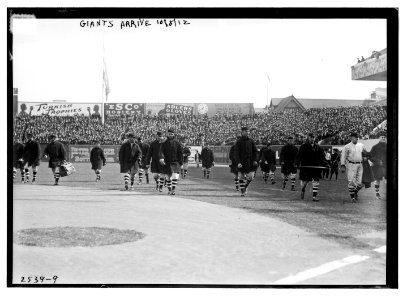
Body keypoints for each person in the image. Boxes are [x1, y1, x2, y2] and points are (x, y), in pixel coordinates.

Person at [296, 133, 327, 201]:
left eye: (313, 137)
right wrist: (297, 163)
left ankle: (314, 197)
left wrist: (326, 164)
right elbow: (299, 156)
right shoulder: (303, 146)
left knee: (316, 181)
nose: (312, 139)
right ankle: (303, 190)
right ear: (308, 138)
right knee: (305, 182)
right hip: (306, 167)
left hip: (315, 167)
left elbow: (322, 157)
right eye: (311, 137)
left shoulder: (318, 147)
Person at [340, 132, 368, 203]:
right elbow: (343, 156)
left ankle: (354, 193)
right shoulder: (347, 146)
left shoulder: (361, 145)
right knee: (351, 181)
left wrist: (365, 157)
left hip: (360, 164)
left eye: (357, 137)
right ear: (351, 138)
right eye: (355, 137)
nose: (357, 138)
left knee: (359, 183)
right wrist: (343, 165)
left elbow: (365, 153)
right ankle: (353, 198)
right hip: (351, 164)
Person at [234, 126, 258, 197]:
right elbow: (236, 153)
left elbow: (255, 151)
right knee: (241, 177)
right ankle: (242, 192)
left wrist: (255, 160)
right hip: (241, 162)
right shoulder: (238, 142)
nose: (247, 132)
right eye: (246, 131)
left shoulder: (251, 141)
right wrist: (238, 162)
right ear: (242, 132)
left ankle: (245, 187)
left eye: (248, 131)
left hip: (250, 162)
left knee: (250, 176)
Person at [159, 128, 183, 195]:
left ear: (174, 134)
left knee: (175, 176)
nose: (170, 135)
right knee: (168, 177)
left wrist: (181, 163)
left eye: (172, 134)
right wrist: (161, 158)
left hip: (175, 162)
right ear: (167, 134)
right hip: (167, 162)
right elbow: (161, 152)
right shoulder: (164, 144)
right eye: (169, 134)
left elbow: (180, 153)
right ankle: (169, 190)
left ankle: (173, 190)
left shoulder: (177, 143)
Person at [369, 134, 387, 199]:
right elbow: (370, 156)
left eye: (384, 137)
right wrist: (377, 161)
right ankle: (377, 193)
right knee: (377, 180)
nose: (383, 138)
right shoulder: (375, 147)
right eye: (382, 137)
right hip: (377, 166)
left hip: (385, 166)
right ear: (379, 138)